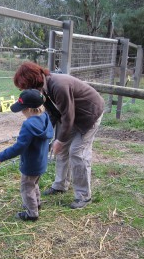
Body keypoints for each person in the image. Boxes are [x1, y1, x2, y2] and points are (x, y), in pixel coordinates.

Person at [13, 61, 104, 209]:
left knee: (77, 152)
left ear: (33, 81)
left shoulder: (58, 86)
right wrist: (47, 135)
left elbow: (68, 116)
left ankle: (83, 196)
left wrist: (60, 140)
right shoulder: (43, 90)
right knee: (60, 150)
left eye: (25, 87)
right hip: (72, 116)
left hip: (89, 114)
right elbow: (53, 114)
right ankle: (60, 185)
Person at [0, 89, 54, 221]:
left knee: (26, 188)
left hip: (30, 163)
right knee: (34, 184)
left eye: (22, 109)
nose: (21, 112)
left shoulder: (28, 125)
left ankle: (32, 213)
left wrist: (1, 156)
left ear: (29, 109)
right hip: (41, 161)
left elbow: (19, 147)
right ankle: (36, 203)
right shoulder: (45, 117)